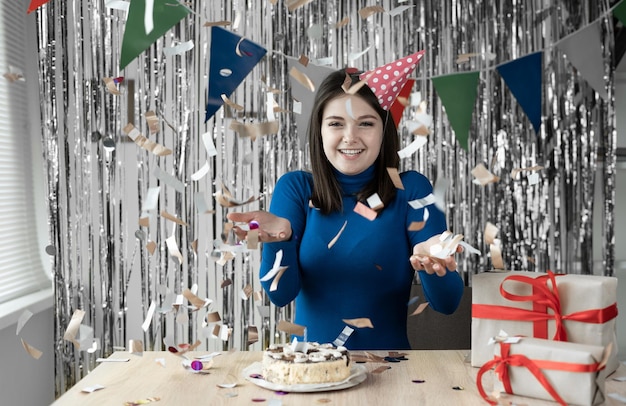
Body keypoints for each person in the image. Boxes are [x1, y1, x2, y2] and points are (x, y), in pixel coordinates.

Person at [227, 57, 464, 350]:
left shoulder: (411, 189)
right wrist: (280, 241)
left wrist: (434, 263)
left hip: (392, 375)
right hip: (309, 373)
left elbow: (448, 303)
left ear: (384, 130)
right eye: (336, 123)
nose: (350, 137)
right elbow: (280, 296)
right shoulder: (296, 189)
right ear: (320, 130)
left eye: (365, 123)